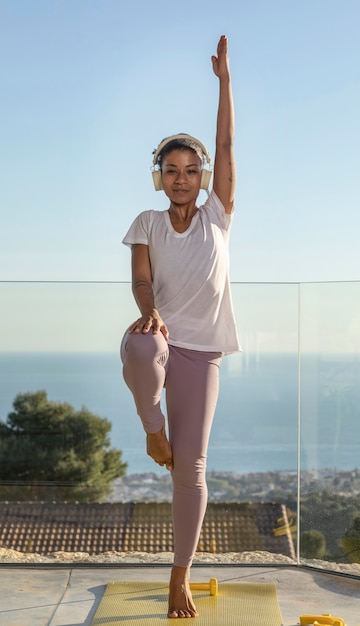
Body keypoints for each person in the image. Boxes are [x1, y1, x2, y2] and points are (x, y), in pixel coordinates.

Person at [120, 35, 240, 618]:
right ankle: (151, 428)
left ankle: (180, 575)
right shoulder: (147, 220)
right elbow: (141, 279)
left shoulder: (219, 214)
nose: (182, 178)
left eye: (192, 170)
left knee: (190, 470)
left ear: (205, 177)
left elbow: (225, 141)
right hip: (160, 335)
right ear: (159, 177)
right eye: (172, 170)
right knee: (141, 347)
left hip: (203, 354)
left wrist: (223, 82)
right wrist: (150, 310)